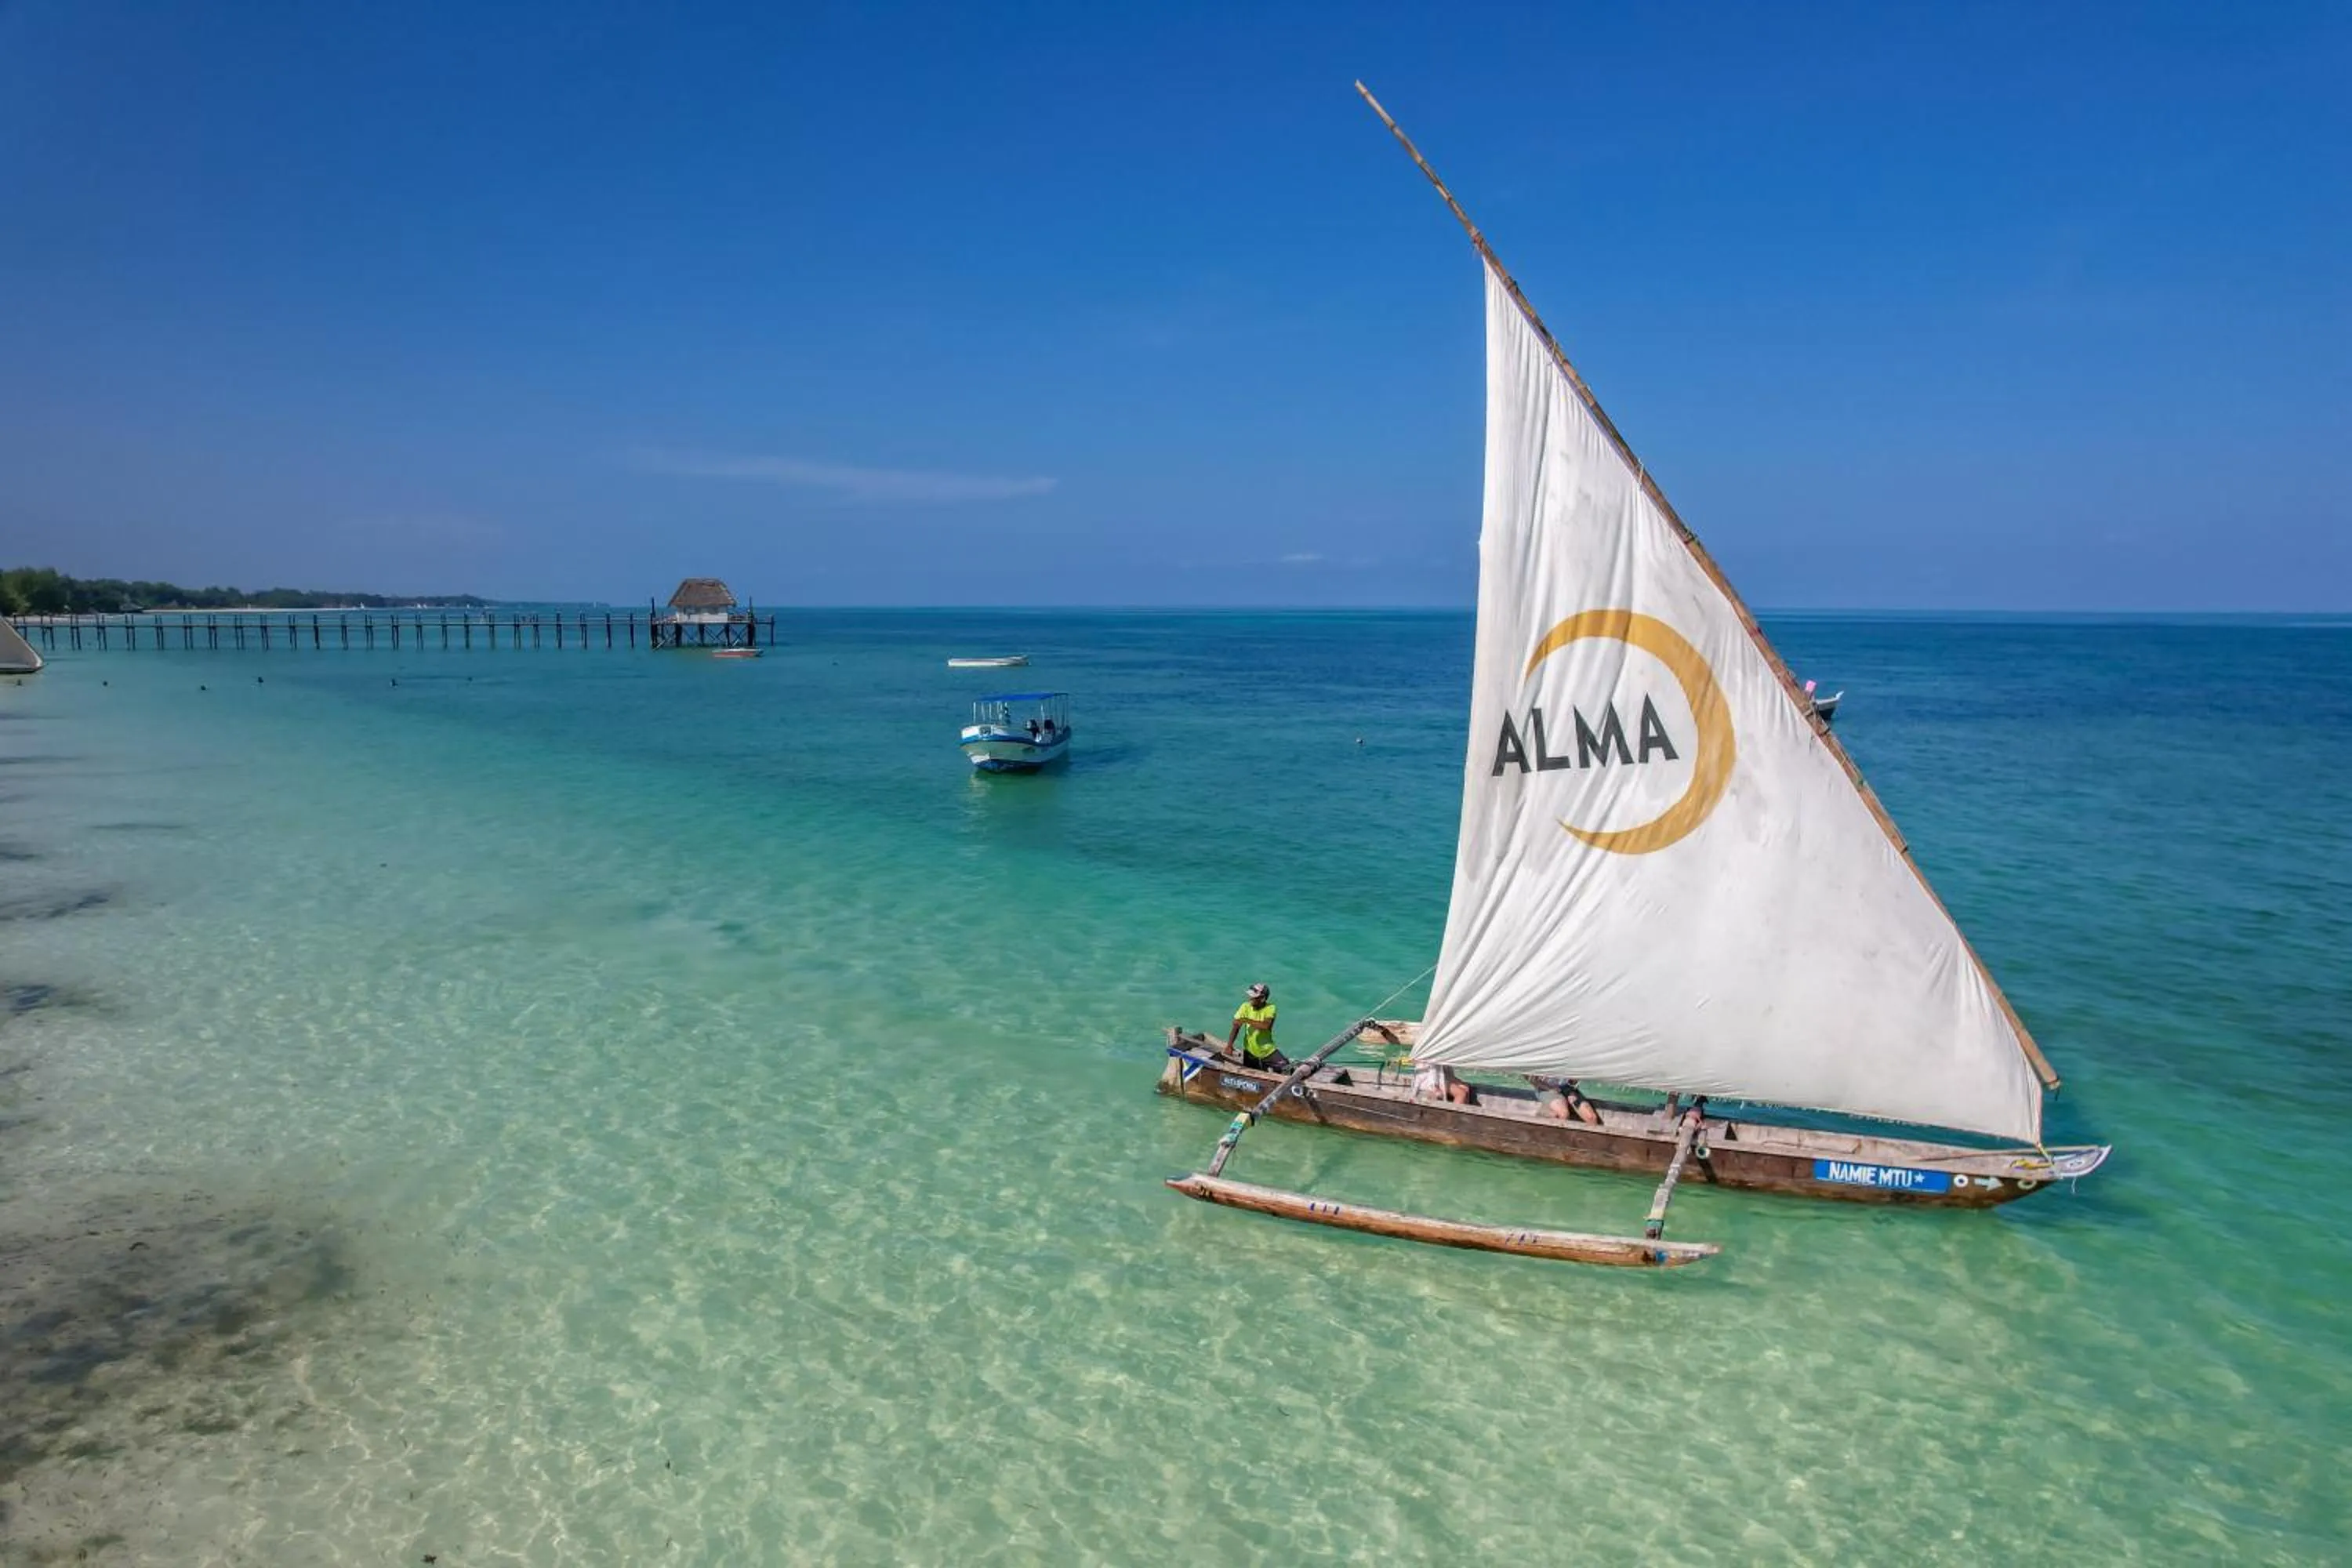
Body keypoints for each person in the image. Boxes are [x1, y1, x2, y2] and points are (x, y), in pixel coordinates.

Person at [1225, 982, 1288, 1072]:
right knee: (1251, 1074)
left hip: (1267, 1051)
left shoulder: (1270, 1008)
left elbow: (1266, 1025)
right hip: (1250, 1052)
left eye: (1253, 997)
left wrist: (1245, 1020)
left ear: (1262, 999)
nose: (1250, 998)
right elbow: (1236, 1026)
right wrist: (1229, 1046)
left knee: (1287, 1069)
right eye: (1250, 995)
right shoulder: (1245, 1007)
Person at [1533, 1076, 1602, 1126]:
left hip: (1567, 1087)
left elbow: (1575, 1079)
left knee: (1591, 1117)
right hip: (1546, 1088)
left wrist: (1572, 1088)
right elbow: (1531, 1078)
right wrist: (1550, 1089)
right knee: (1564, 1114)